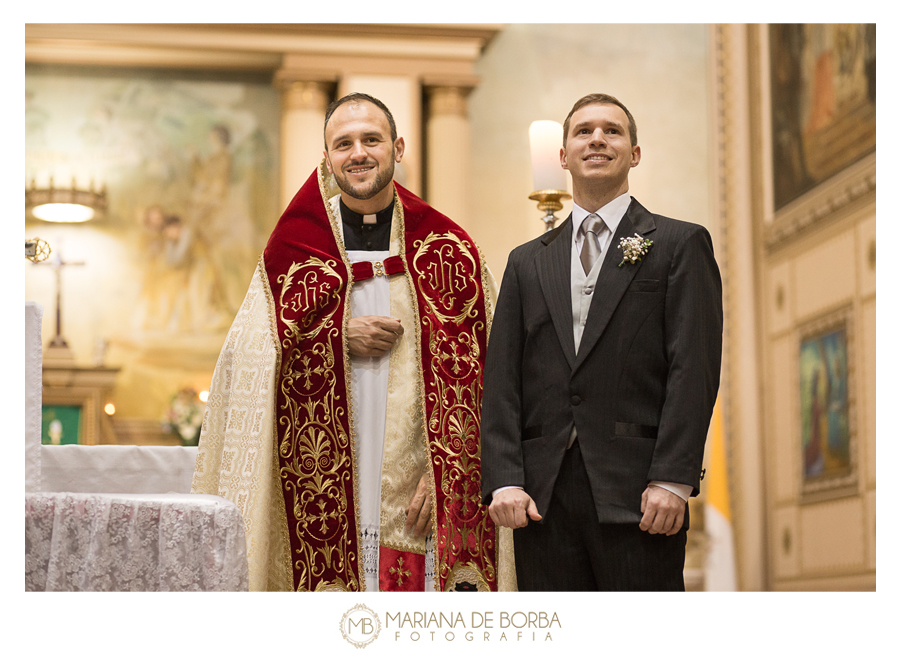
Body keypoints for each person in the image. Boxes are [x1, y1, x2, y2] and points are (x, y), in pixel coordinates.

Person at [192, 92, 513, 592]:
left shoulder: (449, 252)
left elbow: (491, 374)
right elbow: (245, 360)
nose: (358, 153)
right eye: (343, 143)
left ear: (398, 147)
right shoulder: (291, 254)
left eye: (371, 139)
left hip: (419, 491)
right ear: (326, 157)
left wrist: (453, 473)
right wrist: (332, 338)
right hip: (319, 487)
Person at [481, 93, 722, 591]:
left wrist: (672, 479)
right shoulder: (527, 261)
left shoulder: (679, 244)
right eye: (583, 131)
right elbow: (503, 376)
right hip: (542, 499)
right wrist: (505, 476)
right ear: (563, 156)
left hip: (639, 494)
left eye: (612, 131)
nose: (597, 139)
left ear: (634, 154)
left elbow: (692, 369)